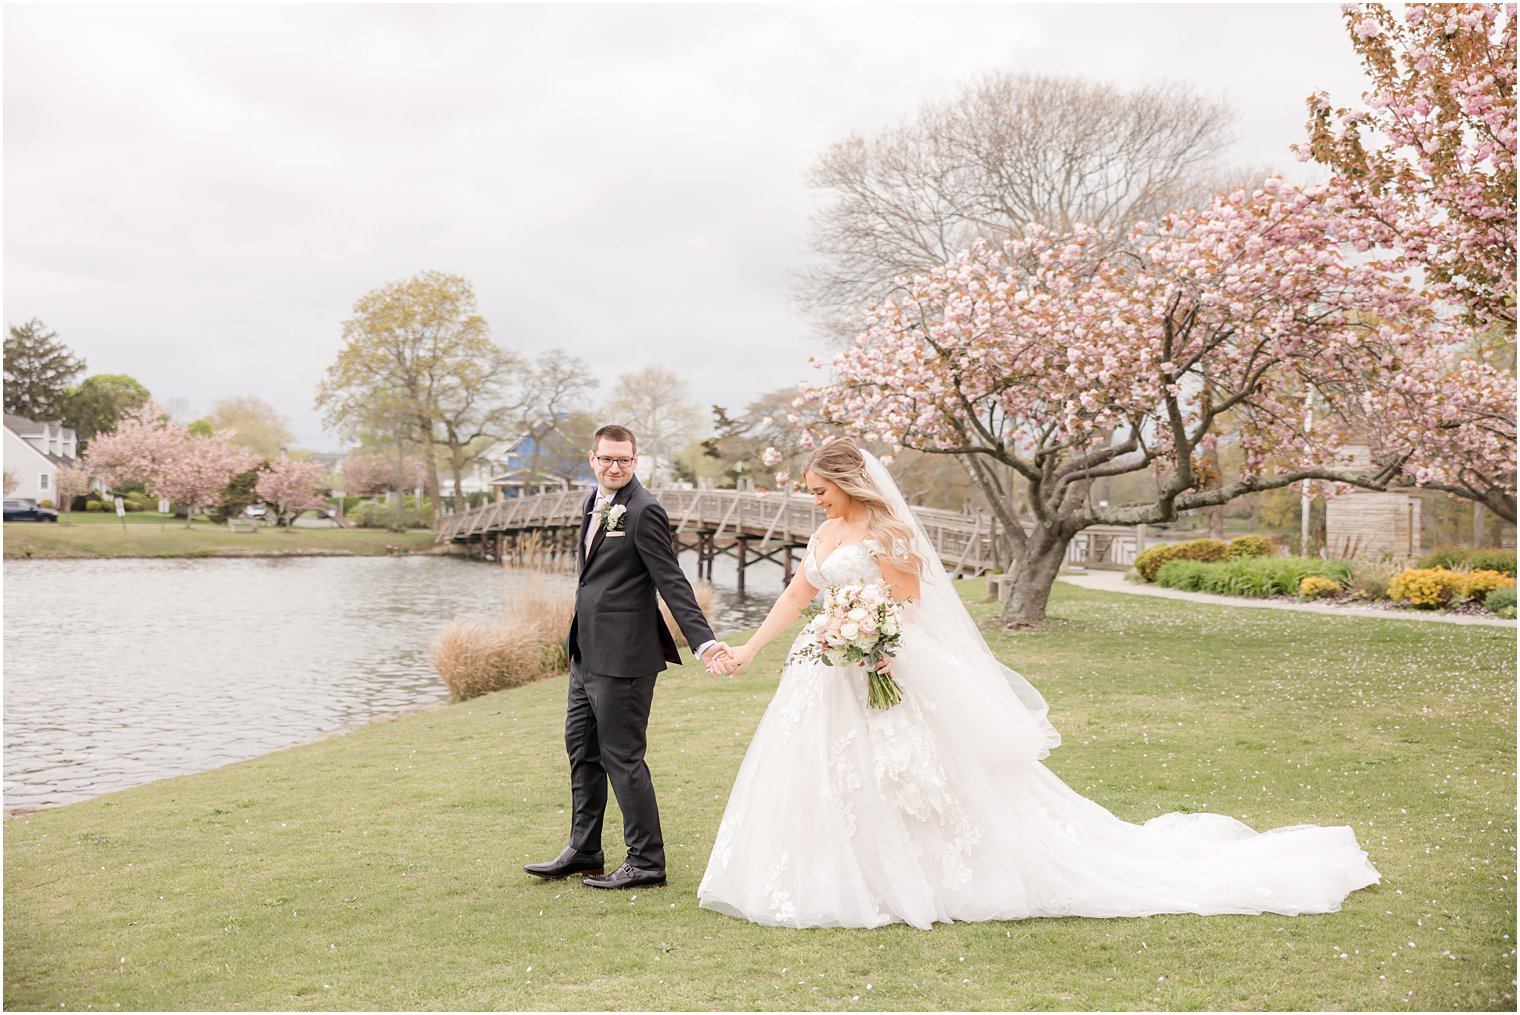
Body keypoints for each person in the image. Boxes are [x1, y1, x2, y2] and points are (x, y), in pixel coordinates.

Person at [697, 438, 1379, 929]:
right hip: (823, 672)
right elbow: (794, 596)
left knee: (909, 776)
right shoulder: (822, 531)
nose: (813, 497)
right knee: (825, 776)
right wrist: (752, 647)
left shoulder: (890, 530)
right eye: (812, 491)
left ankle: (918, 876)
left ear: (849, 480)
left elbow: (908, 605)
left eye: (820, 486)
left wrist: (872, 638)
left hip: (879, 662)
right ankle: (830, 874)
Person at [525, 425, 732, 890]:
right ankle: (584, 849)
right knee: (582, 750)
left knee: (623, 757)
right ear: (592, 458)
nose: (615, 467)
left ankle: (647, 862)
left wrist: (703, 642)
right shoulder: (593, 501)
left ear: (635, 460)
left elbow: (671, 580)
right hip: (586, 652)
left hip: (624, 658)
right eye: (607, 459)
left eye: (624, 460)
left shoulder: (644, 510)